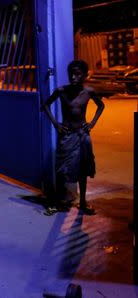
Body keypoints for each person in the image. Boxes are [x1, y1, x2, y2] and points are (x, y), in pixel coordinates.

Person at [42, 59, 104, 216]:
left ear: (84, 75)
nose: (74, 77)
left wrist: (91, 124)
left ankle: (82, 202)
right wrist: (56, 124)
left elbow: (101, 105)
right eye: (71, 74)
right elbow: (45, 105)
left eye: (77, 74)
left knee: (83, 170)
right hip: (67, 136)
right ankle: (60, 201)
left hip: (82, 136)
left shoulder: (88, 92)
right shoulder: (62, 91)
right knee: (63, 170)